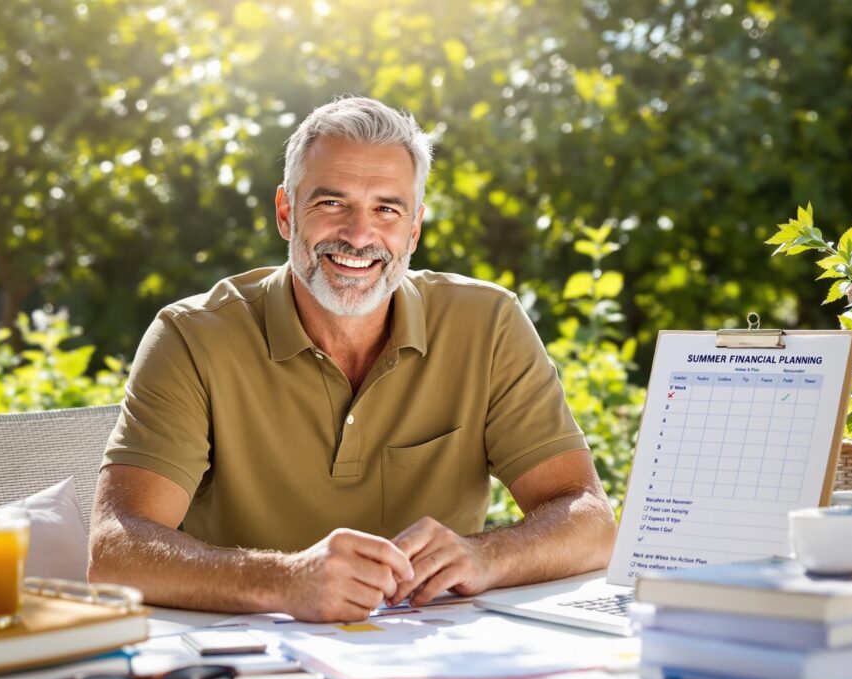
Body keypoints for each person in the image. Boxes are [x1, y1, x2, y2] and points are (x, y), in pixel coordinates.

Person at [88, 96, 616, 622]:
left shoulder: (489, 324)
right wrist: (284, 580)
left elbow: (590, 520)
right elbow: (115, 551)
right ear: (286, 212)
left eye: (387, 209)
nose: (359, 235)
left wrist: (485, 555)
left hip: (439, 656)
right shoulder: (191, 336)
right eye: (331, 204)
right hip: (250, 656)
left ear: (414, 228)